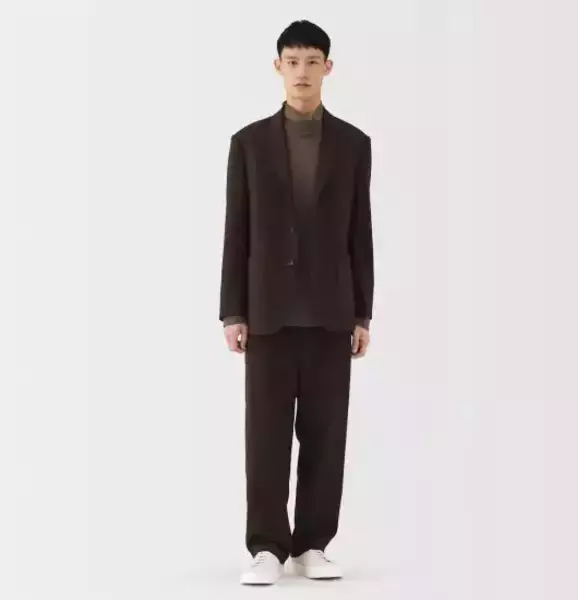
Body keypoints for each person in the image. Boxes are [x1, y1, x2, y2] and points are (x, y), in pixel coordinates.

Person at [218, 19, 374, 586]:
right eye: (292, 61)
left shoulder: (354, 144)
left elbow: (360, 231)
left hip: (331, 314)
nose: (302, 72)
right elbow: (237, 230)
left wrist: (362, 312)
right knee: (265, 435)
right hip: (268, 314)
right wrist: (233, 311)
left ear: (327, 68)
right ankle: (266, 546)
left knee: (326, 434)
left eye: (312, 61)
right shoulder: (249, 143)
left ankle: (312, 544)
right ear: (277, 67)